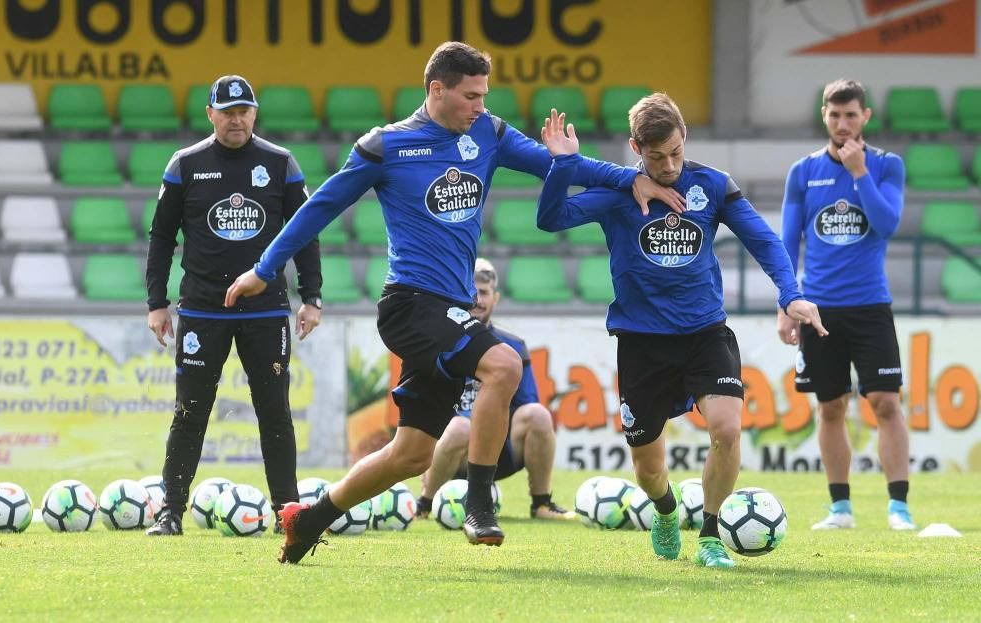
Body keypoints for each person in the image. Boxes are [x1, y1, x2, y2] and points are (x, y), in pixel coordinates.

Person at [225, 41, 672, 563]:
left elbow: (557, 163)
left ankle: (308, 520)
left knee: (410, 455)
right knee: (504, 364)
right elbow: (320, 207)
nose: (480, 105)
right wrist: (264, 269)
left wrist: (633, 178)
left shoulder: (487, 132)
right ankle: (480, 502)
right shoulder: (385, 146)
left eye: (484, 94)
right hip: (410, 304)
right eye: (470, 95)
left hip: (451, 309)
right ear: (436, 89)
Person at [536, 96, 828, 568]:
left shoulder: (712, 185)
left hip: (704, 332)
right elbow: (551, 219)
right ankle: (667, 510)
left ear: (684, 135)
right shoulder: (619, 192)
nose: (669, 164)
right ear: (636, 147)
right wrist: (563, 165)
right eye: (656, 157)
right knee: (649, 469)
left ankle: (711, 534)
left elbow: (764, 239)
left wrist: (789, 293)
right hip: (641, 341)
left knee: (727, 430)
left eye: (675, 151)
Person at [144, 74, 323, 536]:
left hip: (266, 312)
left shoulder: (280, 164)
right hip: (203, 310)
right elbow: (162, 237)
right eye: (227, 112)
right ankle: (171, 513)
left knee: (274, 412)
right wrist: (157, 303)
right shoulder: (185, 165)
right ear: (211, 115)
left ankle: (290, 514)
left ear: (255, 113)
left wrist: (313, 296)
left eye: (244, 110)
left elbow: (305, 233)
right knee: (190, 413)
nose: (236, 119)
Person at [778, 79, 914, 532]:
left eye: (851, 115)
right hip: (819, 309)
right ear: (824, 115)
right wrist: (786, 302)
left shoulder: (887, 166)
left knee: (886, 403)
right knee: (830, 406)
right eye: (834, 115)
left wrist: (859, 173)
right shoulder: (803, 171)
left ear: (865, 117)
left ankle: (899, 507)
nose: (842, 124)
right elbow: (787, 240)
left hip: (871, 305)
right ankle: (840, 509)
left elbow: (887, 223)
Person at [416, 258, 575, 522]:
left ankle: (542, 503)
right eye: (472, 292)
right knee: (460, 428)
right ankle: (424, 504)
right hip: (449, 453)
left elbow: (526, 406)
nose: (478, 299)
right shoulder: (439, 341)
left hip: (498, 451)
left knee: (538, 414)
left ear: (496, 298)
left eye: (484, 293)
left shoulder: (513, 346)